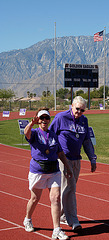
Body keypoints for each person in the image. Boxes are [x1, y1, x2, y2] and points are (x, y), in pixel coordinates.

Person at [23, 107, 72, 240]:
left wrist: (67, 166)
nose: (44, 120)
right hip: (38, 170)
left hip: (54, 170)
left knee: (56, 198)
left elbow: (60, 152)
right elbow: (26, 133)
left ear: (49, 120)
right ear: (38, 120)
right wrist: (31, 124)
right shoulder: (34, 133)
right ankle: (27, 219)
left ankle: (57, 229)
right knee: (35, 198)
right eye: (42, 118)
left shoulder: (53, 134)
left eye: (47, 118)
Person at [49, 96, 97, 232]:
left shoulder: (84, 120)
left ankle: (63, 215)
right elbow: (50, 135)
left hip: (77, 159)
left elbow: (87, 141)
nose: (79, 112)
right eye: (77, 109)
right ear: (71, 106)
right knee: (71, 188)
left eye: (82, 110)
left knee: (68, 188)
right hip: (63, 159)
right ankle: (73, 220)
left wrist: (92, 159)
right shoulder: (60, 118)